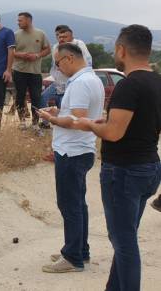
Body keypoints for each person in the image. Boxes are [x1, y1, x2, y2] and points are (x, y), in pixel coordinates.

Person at [71, 25, 161, 290]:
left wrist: (88, 124)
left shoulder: (128, 85)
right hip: (149, 167)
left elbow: (113, 133)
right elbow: (147, 125)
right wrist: (109, 121)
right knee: (126, 236)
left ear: (122, 49)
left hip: (124, 172)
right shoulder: (157, 82)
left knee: (124, 244)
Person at [37, 43, 104, 273]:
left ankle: (72, 257)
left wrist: (50, 118)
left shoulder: (80, 83)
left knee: (69, 204)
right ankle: (79, 250)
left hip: (71, 151)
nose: (57, 67)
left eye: (57, 63)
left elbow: (77, 121)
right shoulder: (92, 79)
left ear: (68, 59)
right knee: (78, 203)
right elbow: (78, 116)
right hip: (81, 150)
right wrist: (60, 113)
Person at [40, 25, 92, 128]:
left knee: (65, 105)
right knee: (42, 97)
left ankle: (62, 123)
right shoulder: (56, 47)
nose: (61, 39)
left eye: (64, 37)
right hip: (57, 82)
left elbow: (87, 61)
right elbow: (54, 66)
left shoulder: (78, 44)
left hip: (71, 82)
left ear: (71, 36)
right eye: (58, 36)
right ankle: (45, 123)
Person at [12, 12, 51, 134]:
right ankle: (22, 122)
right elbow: (11, 52)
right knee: (20, 96)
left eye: (20, 20)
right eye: (18, 20)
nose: (18, 22)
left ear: (29, 20)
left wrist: (37, 55)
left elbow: (48, 49)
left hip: (35, 72)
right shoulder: (15, 35)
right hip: (19, 71)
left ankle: (35, 123)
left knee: (36, 97)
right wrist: (21, 55)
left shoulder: (40, 34)